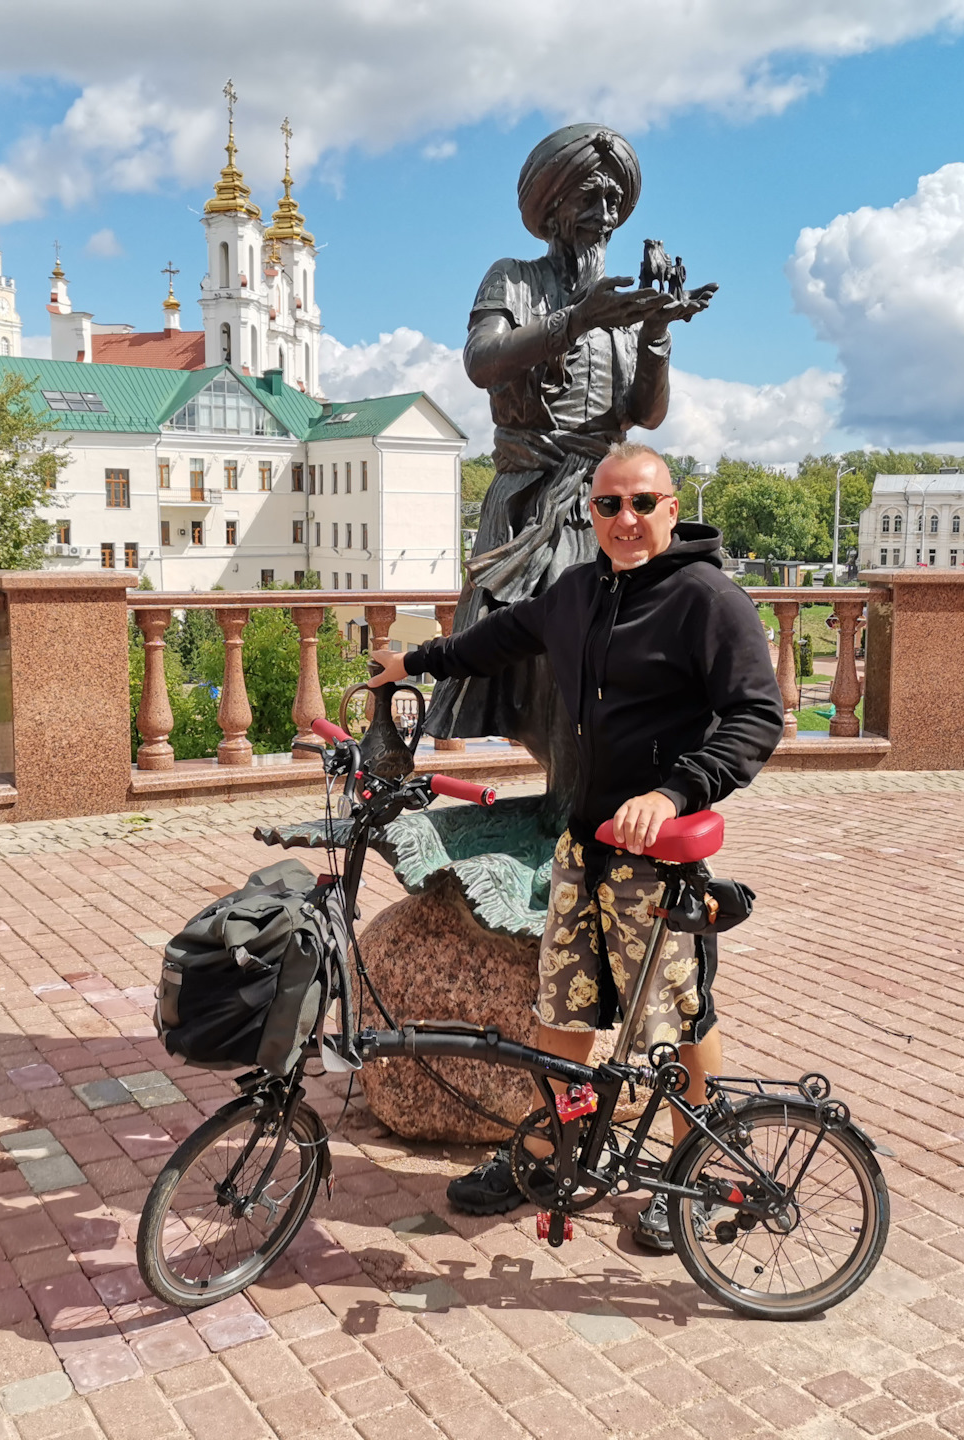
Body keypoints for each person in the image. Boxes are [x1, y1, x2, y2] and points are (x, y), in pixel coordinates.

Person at [368, 442, 783, 1251]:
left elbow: (755, 718)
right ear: (590, 514)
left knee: (675, 1019)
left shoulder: (708, 600)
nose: (625, 520)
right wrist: (409, 662)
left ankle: (698, 1173)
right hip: (582, 848)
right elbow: (494, 641)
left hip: (655, 855)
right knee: (563, 1014)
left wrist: (672, 792)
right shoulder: (578, 593)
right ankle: (544, 1152)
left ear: (671, 506)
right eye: (608, 506)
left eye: (641, 503)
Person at [428, 124, 714, 806]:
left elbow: (644, 415)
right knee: (567, 643)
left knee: (655, 641)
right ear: (553, 206)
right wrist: (578, 320)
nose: (606, 213)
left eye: (615, 198)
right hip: (537, 500)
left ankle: (606, 796)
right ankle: (572, 804)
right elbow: (481, 361)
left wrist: (654, 333)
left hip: (608, 501)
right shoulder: (514, 279)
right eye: (590, 195)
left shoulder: (619, 307)